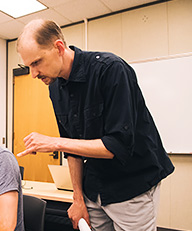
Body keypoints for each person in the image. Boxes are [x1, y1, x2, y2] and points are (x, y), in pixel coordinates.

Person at [16, 19, 174, 231]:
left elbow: (116, 146)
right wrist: (77, 199)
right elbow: (73, 149)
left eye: (36, 63)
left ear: (59, 48)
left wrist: (55, 143)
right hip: (94, 189)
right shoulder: (55, 88)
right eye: (28, 66)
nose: (33, 73)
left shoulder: (110, 70)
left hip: (131, 186)